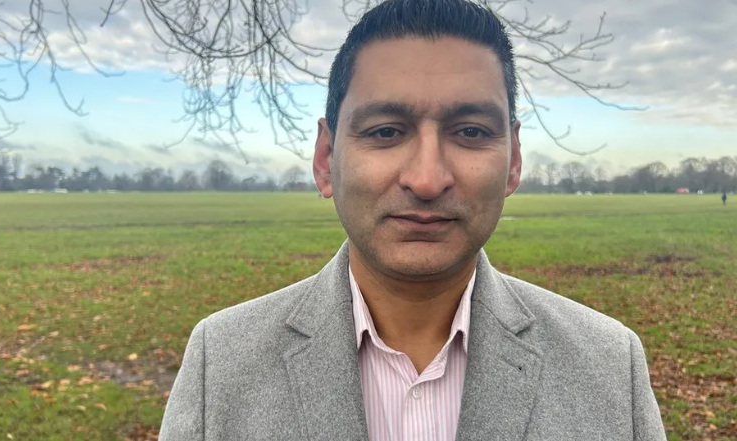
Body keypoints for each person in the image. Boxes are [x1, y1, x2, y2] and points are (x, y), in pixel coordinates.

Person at [159, 1, 666, 439]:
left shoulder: (608, 364)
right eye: (385, 131)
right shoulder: (220, 362)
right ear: (325, 159)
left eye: (469, 131)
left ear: (512, 162)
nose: (427, 179)